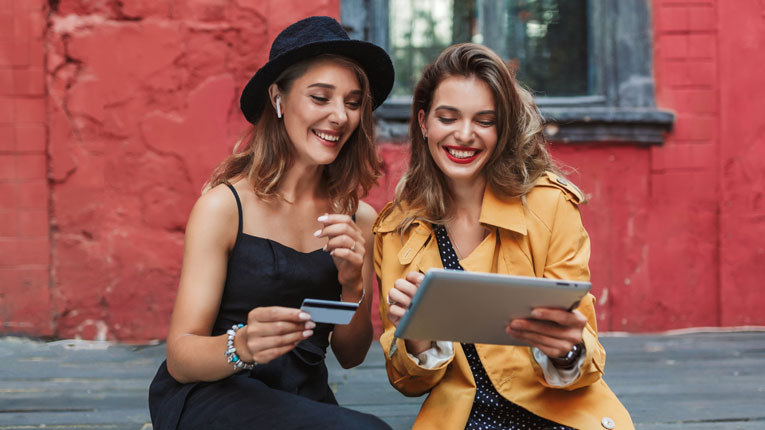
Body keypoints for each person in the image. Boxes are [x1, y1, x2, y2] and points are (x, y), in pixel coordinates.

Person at [148, 16, 394, 429]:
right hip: (214, 393)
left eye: (352, 103)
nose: (339, 116)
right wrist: (242, 344)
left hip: (301, 397)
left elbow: (350, 355)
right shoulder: (224, 207)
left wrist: (353, 283)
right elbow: (181, 356)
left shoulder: (358, 218)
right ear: (278, 99)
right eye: (320, 97)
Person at [374, 43, 634, 430]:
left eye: (485, 120)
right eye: (448, 118)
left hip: (560, 412)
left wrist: (566, 351)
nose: (464, 135)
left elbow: (585, 356)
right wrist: (417, 339)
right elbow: (410, 383)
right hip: (466, 418)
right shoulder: (396, 229)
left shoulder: (549, 205)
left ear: (503, 129)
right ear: (424, 122)